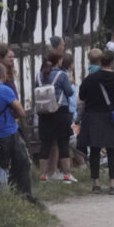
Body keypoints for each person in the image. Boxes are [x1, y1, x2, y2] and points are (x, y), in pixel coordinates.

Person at [0, 62, 39, 206]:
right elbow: (21, 112)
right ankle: (25, 196)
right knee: (22, 163)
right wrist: (12, 113)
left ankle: (1, 197)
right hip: (8, 132)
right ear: (3, 75)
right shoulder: (4, 90)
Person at [78, 50, 114, 195]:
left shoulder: (91, 78)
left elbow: (82, 95)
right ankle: (113, 184)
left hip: (94, 118)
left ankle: (96, 184)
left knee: (94, 150)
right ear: (112, 62)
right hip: (112, 118)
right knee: (113, 150)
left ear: (100, 62)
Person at [35, 52, 76, 183]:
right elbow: (69, 92)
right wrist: (69, 82)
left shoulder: (39, 75)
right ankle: (66, 175)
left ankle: (43, 175)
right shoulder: (61, 75)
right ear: (58, 60)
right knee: (63, 142)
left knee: (46, 143)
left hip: (44, 113)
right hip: (60, 111)